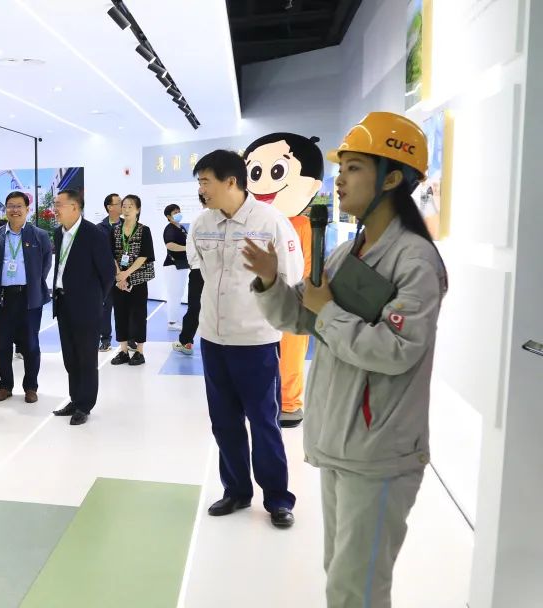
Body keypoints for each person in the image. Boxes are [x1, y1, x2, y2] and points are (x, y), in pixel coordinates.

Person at [248, 112, 446, 607]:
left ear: (392, 178)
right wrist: (271, 281)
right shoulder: (346, 253)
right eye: (342, 168)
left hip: (379, 454)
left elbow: (397, 350)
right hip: (341, 443)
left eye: (354, 168)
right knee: (340, 573)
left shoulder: (415, 260)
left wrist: (329, 311)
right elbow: (302, 317)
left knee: (356, 588)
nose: (339, 179)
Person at [188, 149, 302, 529]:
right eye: (200, 182)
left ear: (231, 181)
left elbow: (291, 275)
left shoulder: (270, 222)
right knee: (224, 422)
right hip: (213, 337)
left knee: (263, 421)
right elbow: (200, 270)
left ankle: (278, 499)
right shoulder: (201, 223)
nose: (202, 189)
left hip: (255, 340)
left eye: (206, 181)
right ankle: (236, 490)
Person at [244, 132, 325, 429]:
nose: (264, 183)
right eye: (255, 173)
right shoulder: (251, 223)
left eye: (277, 171)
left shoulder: (302, 224)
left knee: (291, 352)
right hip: (257, 299)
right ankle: (259, 400)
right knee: (255, 353)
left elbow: (310, 266)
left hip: (293, 298)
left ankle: (290, 402)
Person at [50, 189, 114, 426]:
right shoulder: (58, 233)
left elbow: (108, 273)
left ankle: (85, 405)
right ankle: (75, 399)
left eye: (59, 204)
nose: (55, 209)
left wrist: (95, 299)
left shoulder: (93, 234)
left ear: (75, 207)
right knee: (70, 357)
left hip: (86, 306)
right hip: (63, 302)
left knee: (86, 358)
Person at [0, 191, 52, 403]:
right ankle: (5, 386)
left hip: (29, 297)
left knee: (31, 344)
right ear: (6, 209)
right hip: (4, 297)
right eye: (10, 206)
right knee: (4, 345)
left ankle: (31, 387)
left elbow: (45, 264)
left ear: (27, 209)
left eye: (19, 206)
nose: (14, 210)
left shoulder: (39, 235)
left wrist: (32, 283)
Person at [109, 194, 155, 366]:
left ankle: (139, 352)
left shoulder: (144, 230)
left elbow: (145, 255)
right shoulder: (115, 230)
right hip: (119, 280)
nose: (126, 209)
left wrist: (126, 273)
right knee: (120, 313)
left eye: (130, 206)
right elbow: (111, 254)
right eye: (124, 206)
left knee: (138, 314)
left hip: (138, 279)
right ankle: (123, 351)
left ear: (138, 209)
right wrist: (119, 275)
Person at [174, 195, 208, 356]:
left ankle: (186, 341)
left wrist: (194, 264)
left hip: (199, 269)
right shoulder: (225, 216)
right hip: (213, 270)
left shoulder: (198, 218)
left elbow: (190, 244)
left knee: (195, 306)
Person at [97, 193, 122, 351]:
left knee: (126, 308)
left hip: (125, 274)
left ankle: (129, 338)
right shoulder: (100, 228)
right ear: (110, 207)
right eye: (119, 203)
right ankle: (105, 339)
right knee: (106, 308)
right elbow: (102, 253)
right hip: (107, 276)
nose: (122, 205)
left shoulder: (128, 225)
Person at [162, 203, 190, 329]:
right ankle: (172, 322)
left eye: (179, 211)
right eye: (175, 213)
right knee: (173, 294)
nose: (178, 214)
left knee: (179, 293)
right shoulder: (170, 229)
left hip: (182, 265)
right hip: (172, 265)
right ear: (169, 216)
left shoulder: (181, 228)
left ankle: (175, 319)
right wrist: (187, 248)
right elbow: (170, 245)